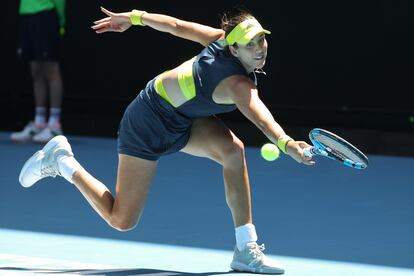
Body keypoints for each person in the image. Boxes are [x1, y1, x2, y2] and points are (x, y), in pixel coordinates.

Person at [19, 6, 315, 274]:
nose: (258, 49)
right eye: (249, 44)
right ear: (233, 47)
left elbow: (175, 25)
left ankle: (245, 249)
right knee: (121, 220)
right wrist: (287, 144)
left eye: (261, 40)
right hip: (147, 122)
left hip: (183, 120)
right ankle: (62, 161)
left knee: (233, 151)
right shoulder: (237, 83)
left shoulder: (223, 42)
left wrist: (133, 19)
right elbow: (262, 119)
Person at [12, 0, 66, 143]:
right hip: (27, 15)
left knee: (51, 69)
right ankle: (39, 122)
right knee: (36, 70)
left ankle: (54, 125)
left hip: (46, 15)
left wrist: (61, 21)